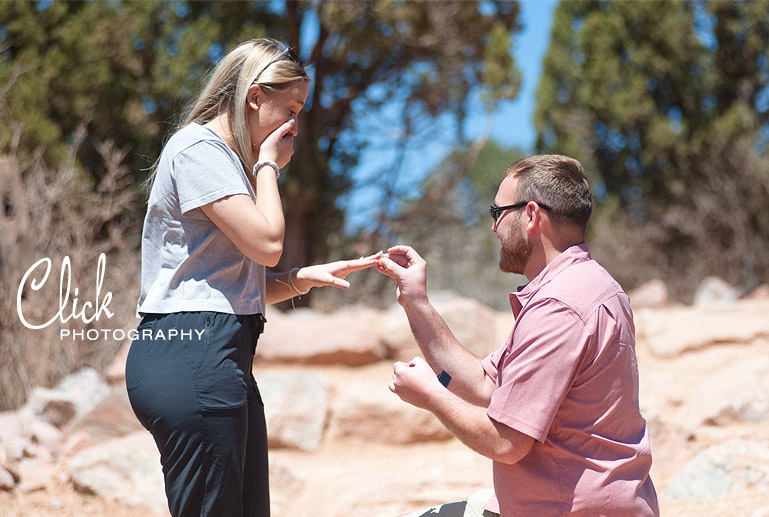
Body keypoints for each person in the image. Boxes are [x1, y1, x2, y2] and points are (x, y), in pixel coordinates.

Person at [125, 38, 378, 517]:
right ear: (254, 96)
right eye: (290, 108)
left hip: (218, 357)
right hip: (192, 355)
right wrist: (267, 166)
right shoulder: (198, 148)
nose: (294, 126)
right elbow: (266, 243)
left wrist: (303, 279)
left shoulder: (220, 160)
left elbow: (224, 283)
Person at [377, 154, 659, 516]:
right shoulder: (586, 286)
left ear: (530, 215)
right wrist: (417, 302)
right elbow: (482, 385)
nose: (493, 228)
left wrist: (431, 395)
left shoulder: (561, 306)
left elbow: (506, 442)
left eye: (497, 214)